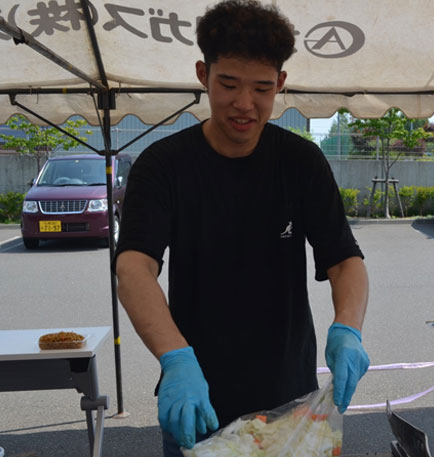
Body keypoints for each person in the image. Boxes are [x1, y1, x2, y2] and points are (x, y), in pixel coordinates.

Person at [113, 1, 370, 455]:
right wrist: (175, 360)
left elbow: (344, 258)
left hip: (291, 402)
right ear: (202, 74)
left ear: (281, 84)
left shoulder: (300, 162)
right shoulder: (163, 166)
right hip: (198, 401)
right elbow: (134, 266)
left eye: (262, 88)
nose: (244, 104)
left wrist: (348, 329)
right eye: (228, 84)